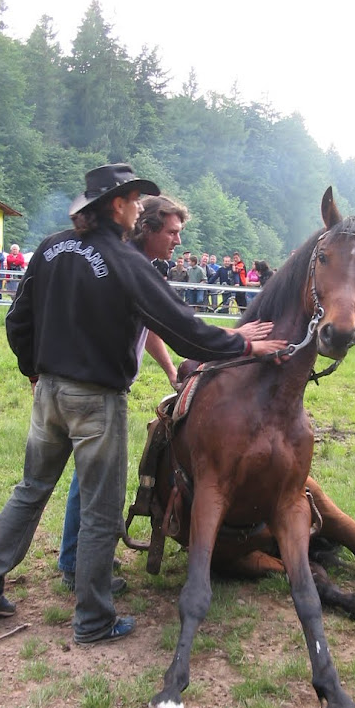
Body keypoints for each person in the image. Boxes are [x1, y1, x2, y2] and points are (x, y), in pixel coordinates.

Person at [0, 163, 286, 645]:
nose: (139, 210)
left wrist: (33, 369)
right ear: (118, 205)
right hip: (96, 400)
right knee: (99, 508)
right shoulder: (125, 261)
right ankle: (93, 618)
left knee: (30, 489)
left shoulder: (51, 247)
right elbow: (182, 327)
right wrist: (244, 346)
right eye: (136, 201)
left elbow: (17, 320)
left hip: (49, 391)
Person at [57, 194, 275, 593]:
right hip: (96, 387)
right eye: (173, 231)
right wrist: (238, 338)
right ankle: (78, 566)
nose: (178, 240)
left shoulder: (134, 263)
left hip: (75, 381)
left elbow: (152, 325)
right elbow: (181, 324)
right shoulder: (131, 266)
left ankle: (71, 558)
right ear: (148, 227)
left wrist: (171, 367)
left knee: (76, 478)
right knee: (95, 481)